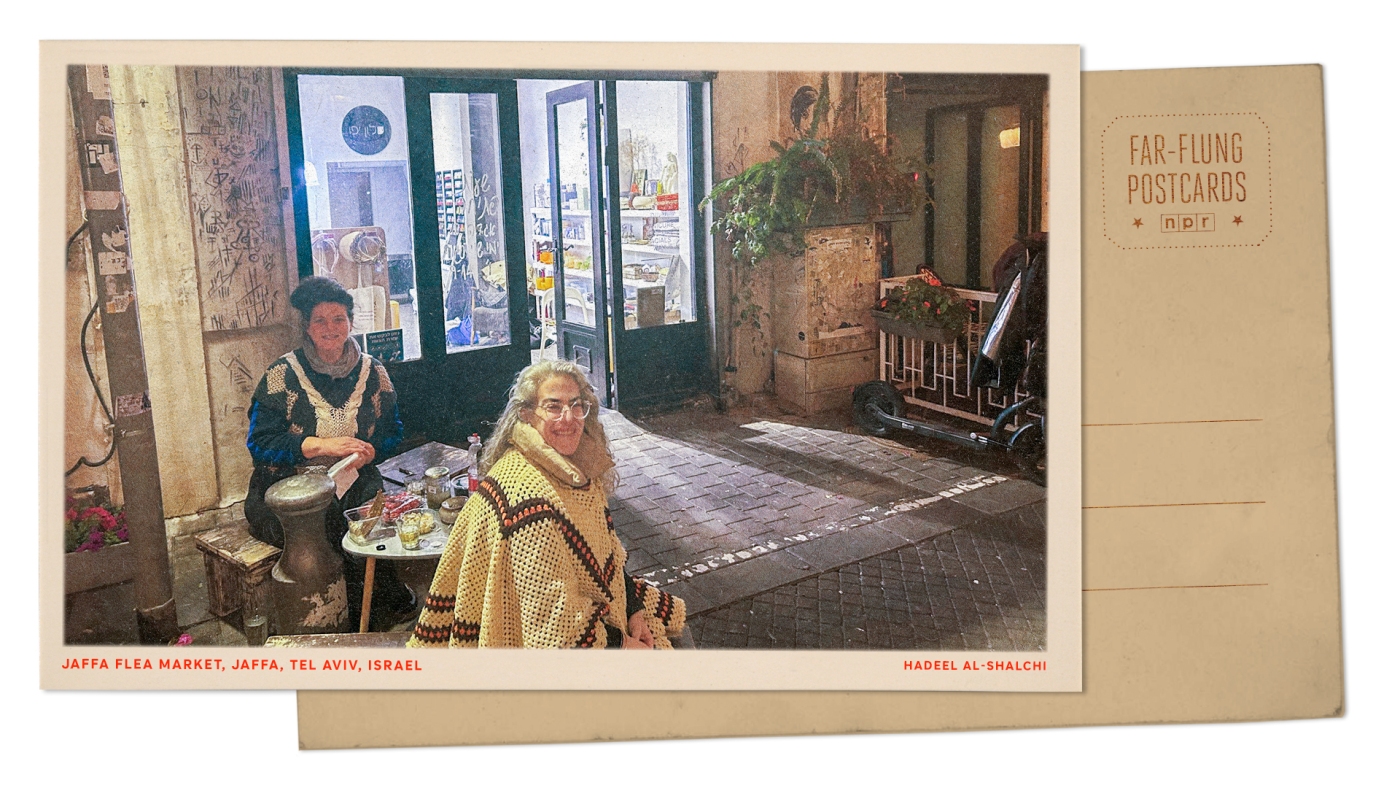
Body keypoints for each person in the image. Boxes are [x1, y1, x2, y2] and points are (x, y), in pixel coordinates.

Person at [408, 360, 686, 649]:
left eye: (576, 405)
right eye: (553, 407)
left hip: (589, 614)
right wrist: (624, 645)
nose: (568, 418)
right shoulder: (528, 497)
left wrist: (633, 610)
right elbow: (557, 627)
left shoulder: (576, 468)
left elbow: (606, 551)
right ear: (526, 414)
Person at [244, 276, 413, 624]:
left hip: (353, 479)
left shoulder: (373, 372)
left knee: (370, 518)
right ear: (307, 327)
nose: (330, 328)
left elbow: (392, 431)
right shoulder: (282, 375)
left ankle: (378, 602)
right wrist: (319, 445)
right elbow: (260, 443)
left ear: (350, 322)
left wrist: (371, 451)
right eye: (319, 320)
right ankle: (346, 616)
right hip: (290, 488)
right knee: (331, 526)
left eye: (338, 319)